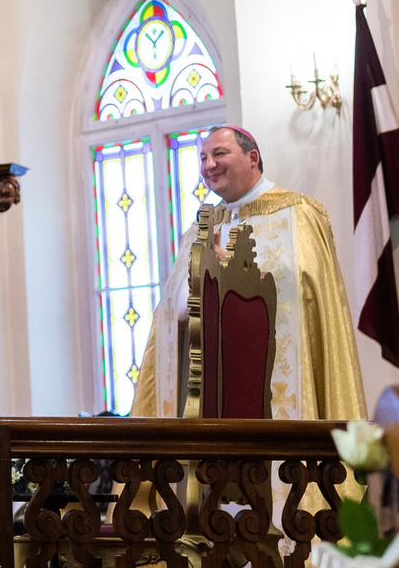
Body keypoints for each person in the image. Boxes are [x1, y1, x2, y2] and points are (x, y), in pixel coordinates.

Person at [126, 127, 367, 422]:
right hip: (215, 392)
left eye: (219, 153)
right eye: (203, 158)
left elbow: (301, 296)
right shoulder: (199, 228)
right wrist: (201, 275)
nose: (209, 164)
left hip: (274, 383)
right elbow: (172, 312)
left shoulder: (299, 214)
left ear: (252, 158)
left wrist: (231, 271)